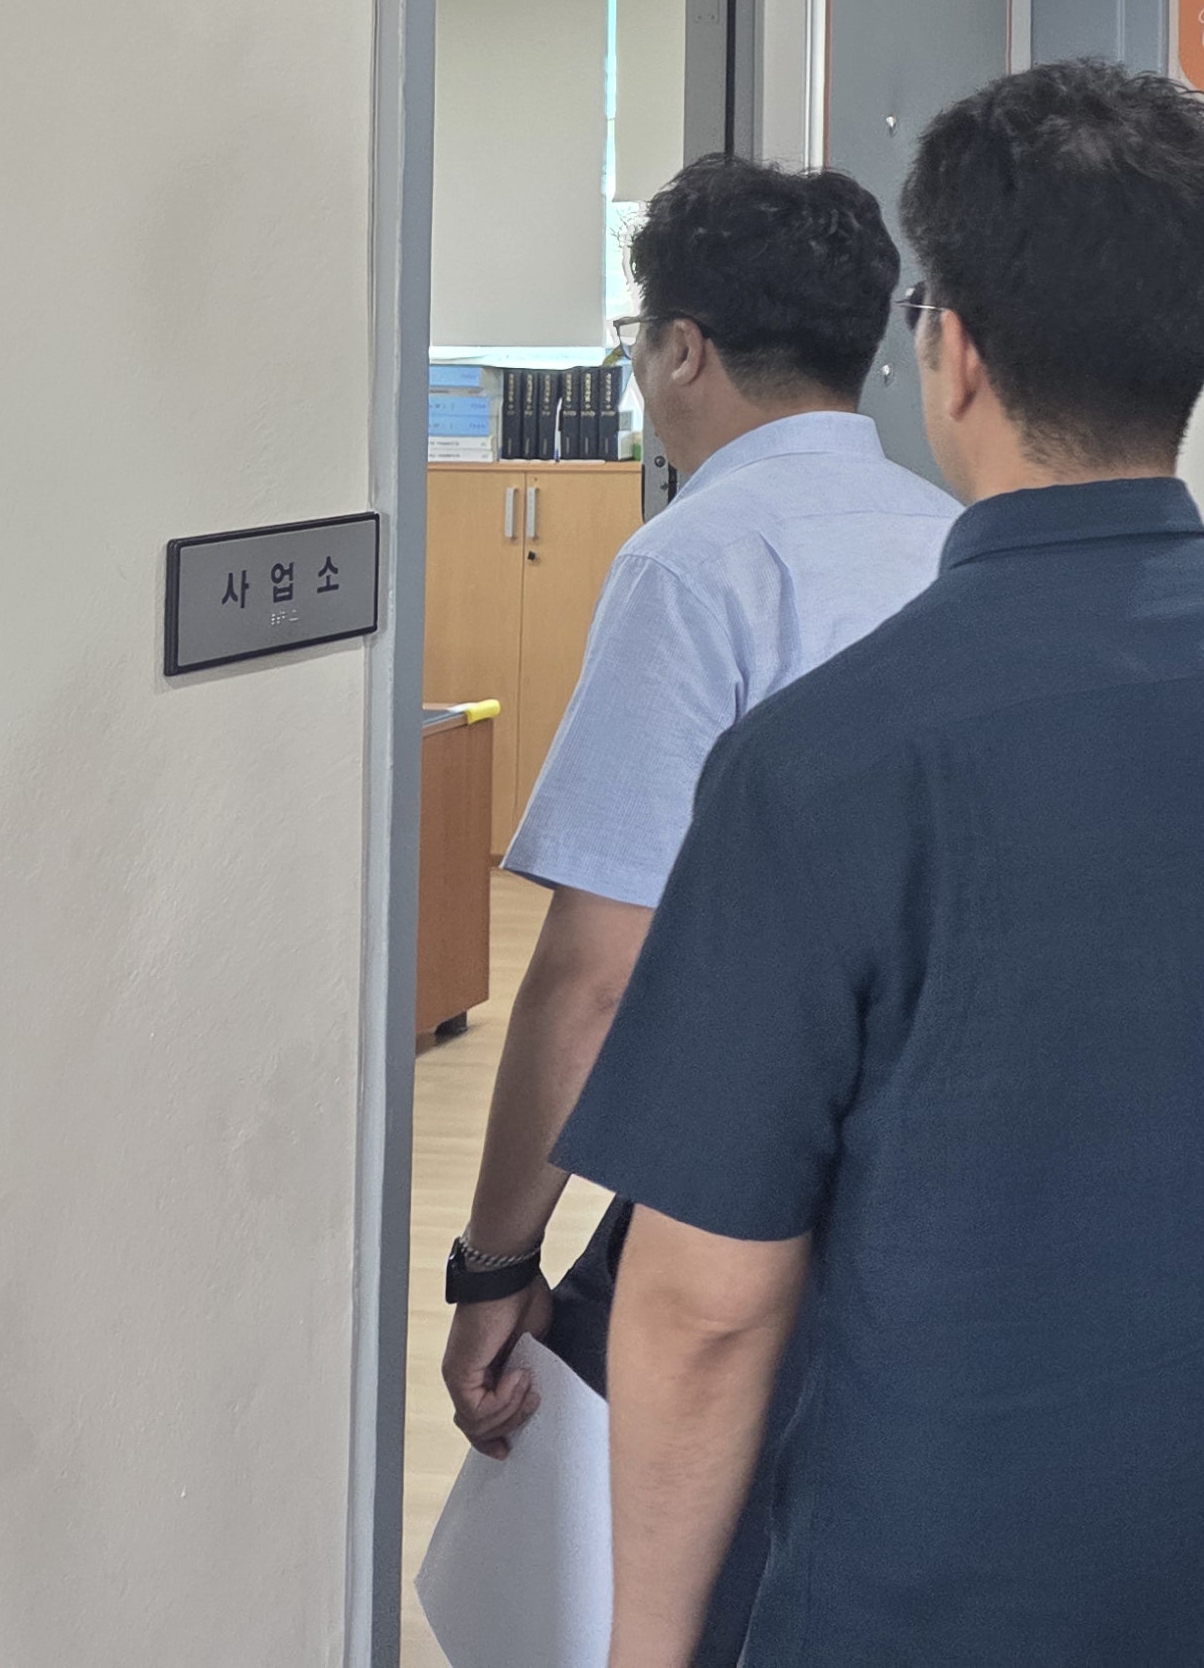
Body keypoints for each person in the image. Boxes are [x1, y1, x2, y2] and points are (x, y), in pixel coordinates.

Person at [557, 63, 1204, 1667]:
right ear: (1198, 352)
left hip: (940, 1596)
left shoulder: (818, 764)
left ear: (957, 353)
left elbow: (705, 1303)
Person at [439, 155, 955, 1663]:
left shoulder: (696, 563)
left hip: (744, 1203)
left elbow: (595, 974)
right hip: (938, 1185)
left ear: (682, 349)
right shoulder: (953, 539)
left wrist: (496, 1264)